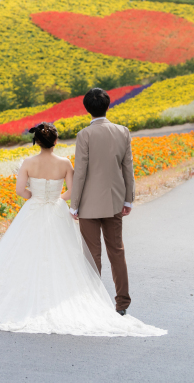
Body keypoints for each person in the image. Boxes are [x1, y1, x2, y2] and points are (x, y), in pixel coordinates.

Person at [0, 119, 165, 337]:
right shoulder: (64, 163)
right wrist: (58, 198)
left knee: (23, 254)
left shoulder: (28, 162)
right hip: (56, 209)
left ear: (36, 141)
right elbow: (73, 190)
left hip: (34, 209)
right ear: (56, 141)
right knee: (64, 255)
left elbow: (20, 191)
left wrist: (34, 196)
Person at [69, 88, 135, 316]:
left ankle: (93, 303)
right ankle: (122, 303)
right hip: (115, 200)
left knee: (91, 256)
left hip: (88, 204)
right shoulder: (123, 132)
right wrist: (129, 199)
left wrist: (74, 204)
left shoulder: (84, 135)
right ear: (108, 105)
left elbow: (80, 173)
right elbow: (128, 169)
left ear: (87, 108)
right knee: (117, 251)